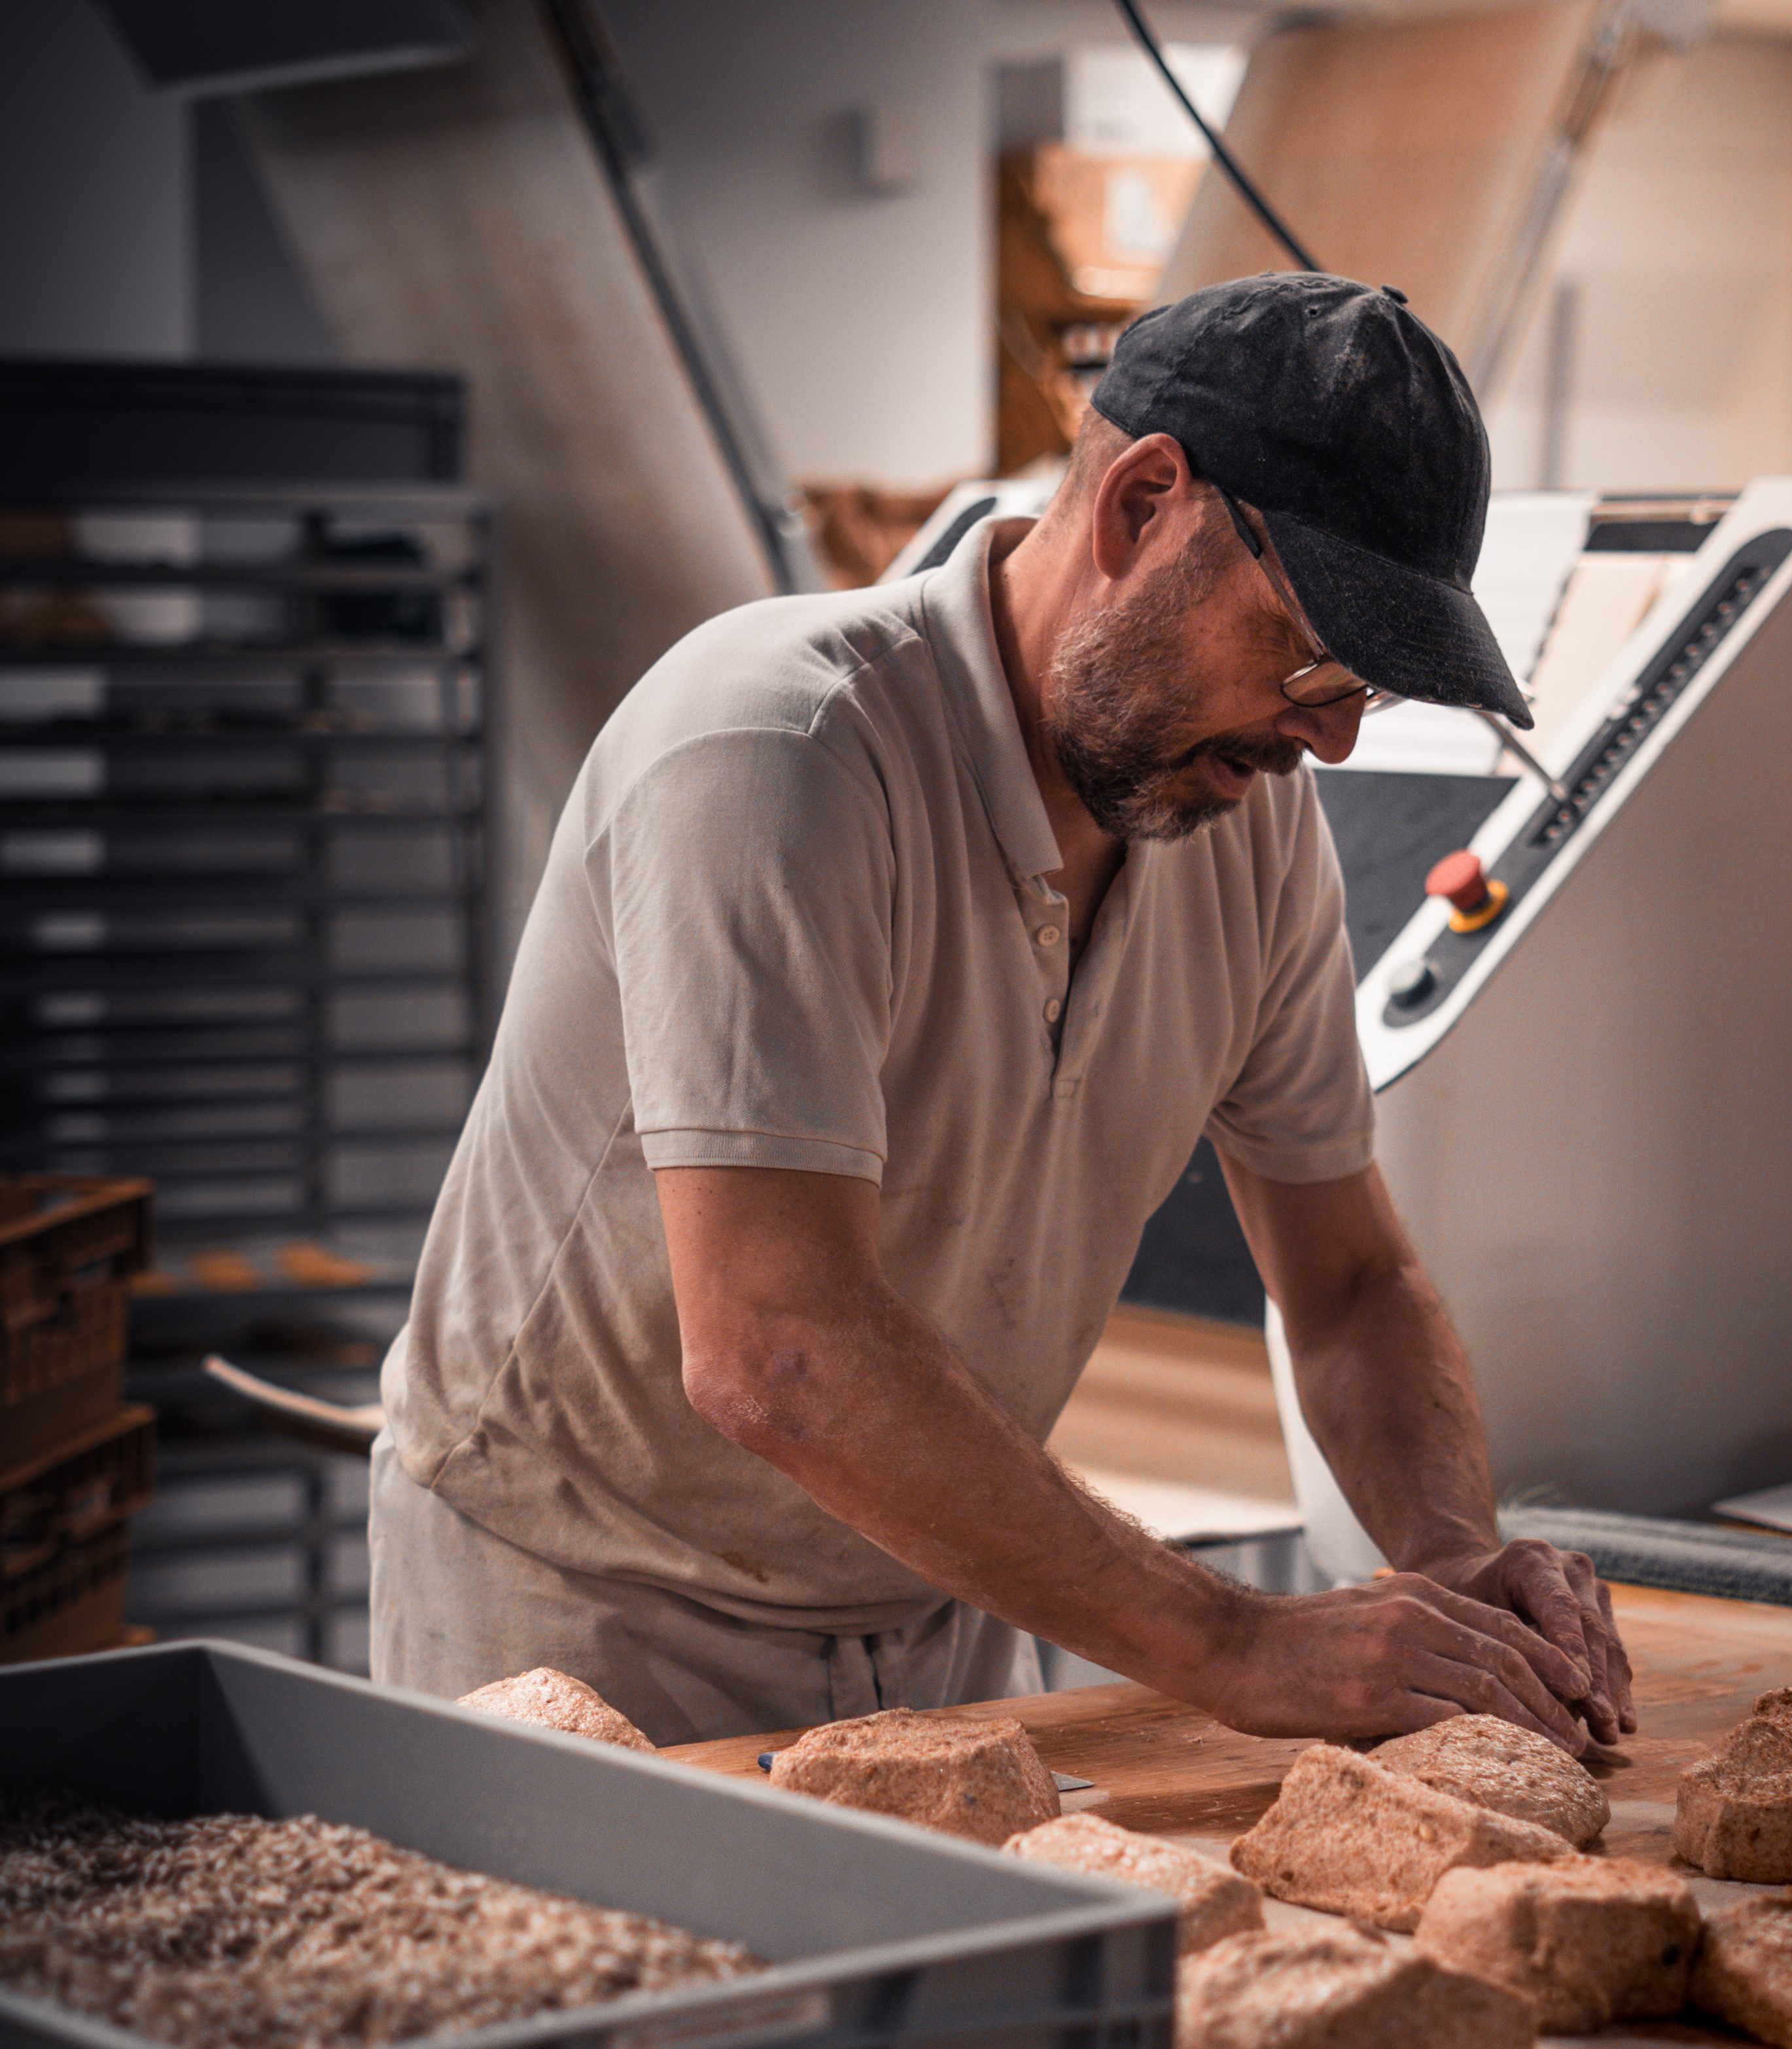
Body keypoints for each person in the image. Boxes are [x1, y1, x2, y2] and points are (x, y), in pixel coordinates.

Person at [368, 272, 1636, 1753]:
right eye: (1306, 652)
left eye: (1363, 687)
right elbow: (780, 1349)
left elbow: (1347, 1282)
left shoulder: (1246, 830)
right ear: (1139, 506)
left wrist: (1448, 1562)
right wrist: (1235, 1643)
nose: (1332, 734)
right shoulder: (778, 753)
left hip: (941, 1606)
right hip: (592, 1626)